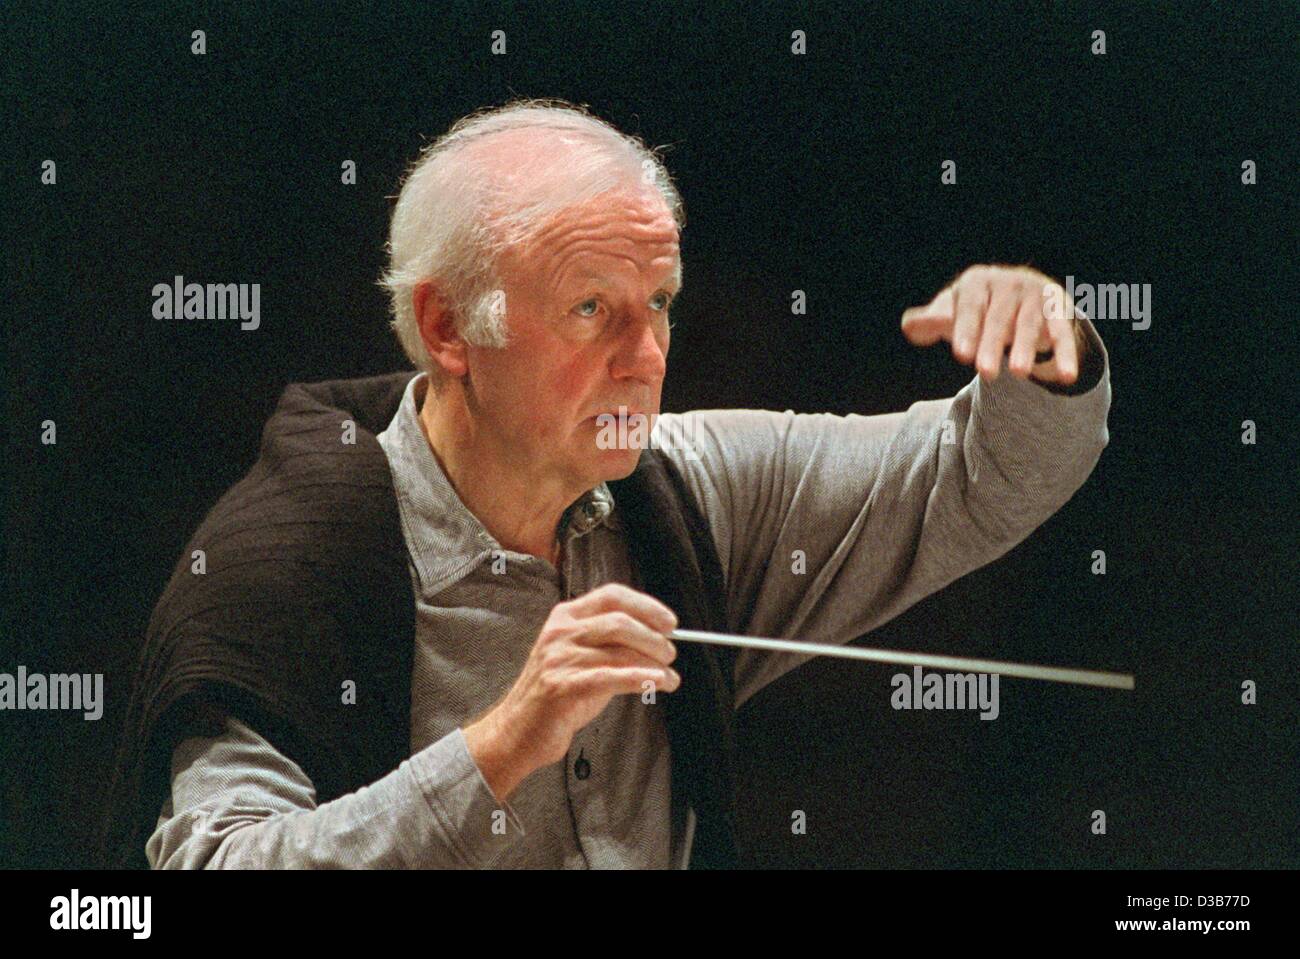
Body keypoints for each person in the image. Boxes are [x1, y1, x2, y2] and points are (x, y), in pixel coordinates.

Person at [103, 98, 1111, 870]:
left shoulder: (684, 491)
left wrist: (1039, 346)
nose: (648, 356)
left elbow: (976, 477)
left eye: (659, 302)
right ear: (451, 327)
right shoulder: (284, 561)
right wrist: (498, 744)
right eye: (591, 308)